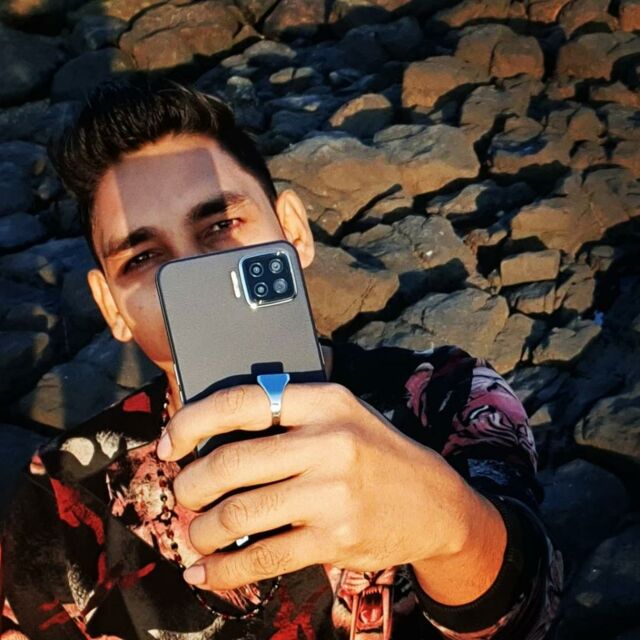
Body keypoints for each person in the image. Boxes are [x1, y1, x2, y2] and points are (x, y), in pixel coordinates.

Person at [0, 77, 562, 640]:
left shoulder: (446, 395)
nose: (194, 274)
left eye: (220, 225)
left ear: (292, 231)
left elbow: (530, 610)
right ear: (111, 307)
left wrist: (451, 530)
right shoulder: (60, 493)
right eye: (143, 257)